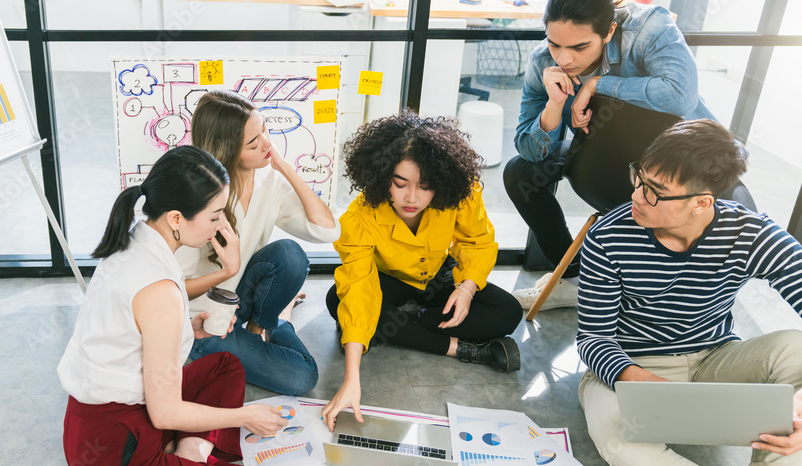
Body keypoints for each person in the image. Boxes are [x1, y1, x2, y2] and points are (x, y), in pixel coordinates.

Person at [505, 0, 757, 312]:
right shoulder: (544, 60)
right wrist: (554, 106)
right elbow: (529, 150)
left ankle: (682, 307)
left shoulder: (648, 27)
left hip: (683, 169)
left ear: (609, 30)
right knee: (519, 173)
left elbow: (680, 95)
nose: (565, 58)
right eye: (555, 43)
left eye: (580, 47)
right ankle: (576, 277)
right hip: (604, 167)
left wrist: (598, 85)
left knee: (741, 215)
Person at [576, 119, 802, 465]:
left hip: (716, 358)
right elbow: (593, 338)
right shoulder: (608, 237)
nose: (636, 195)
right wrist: (637, 379)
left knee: (794, 349)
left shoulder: (749, 233)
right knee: (621, 442)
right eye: (640, 177)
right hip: (633, 364)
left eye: (655, 191)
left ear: (701, 202)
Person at [57, 146, 287, 466]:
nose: (221, 225)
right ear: (177, 218)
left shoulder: (135, 236)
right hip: (114, 443)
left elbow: (136, 318)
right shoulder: (159, 289)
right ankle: (187, 453)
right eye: (214, 216)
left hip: (98, 416)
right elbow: (165, 414)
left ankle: (188, 452)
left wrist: (185, 328)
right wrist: (246, 415)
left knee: (225, 367)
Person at [321, 110, 524, 431]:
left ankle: (400, 324)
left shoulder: (463, 193)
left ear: (441, 183)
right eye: (400, 184)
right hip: (387, 280)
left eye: (425, 186)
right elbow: (359, 290)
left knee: (509, 311)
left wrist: (467, 288)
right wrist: (351, 380)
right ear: (382, 176)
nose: (412, 197)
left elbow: (478, 241)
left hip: (440, 276)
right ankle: (465, 349)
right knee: (338, 300)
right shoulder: (359, 218)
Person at [176, 90, 340, 396]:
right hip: (203, 322)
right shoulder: (196, 198)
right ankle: (281, 320)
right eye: (254, 142)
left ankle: (262, 324)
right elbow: (177, 289)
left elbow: (327, 231)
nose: (267, 144)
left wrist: (285, 169)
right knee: (302, 376)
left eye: (265, 129)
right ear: (227, 151)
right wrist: (226, 275)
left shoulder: (269, 180)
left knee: (290, 255)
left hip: (238, 300)